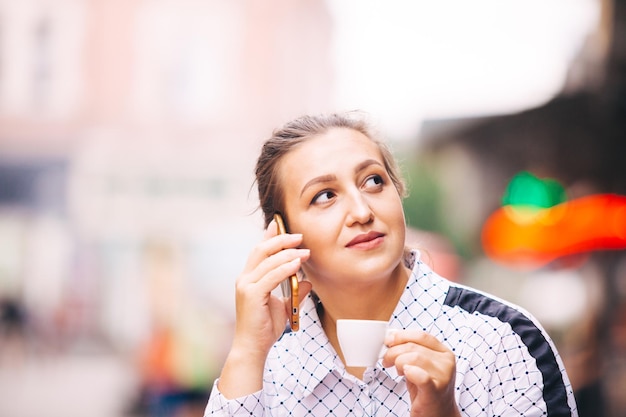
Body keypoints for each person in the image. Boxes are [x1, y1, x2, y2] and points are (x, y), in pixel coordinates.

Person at [204, 112, 578, 416]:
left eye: (373, 181)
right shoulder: (267, 370)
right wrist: (247, 351)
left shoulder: (502, 343)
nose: (362, 211)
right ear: (282, 234)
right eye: (325, 196)